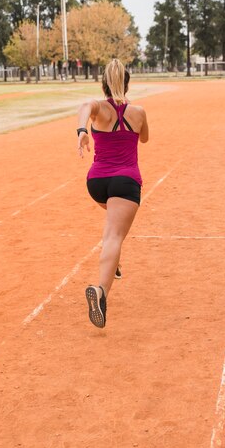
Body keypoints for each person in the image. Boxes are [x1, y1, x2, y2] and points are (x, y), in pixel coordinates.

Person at [77, 58, 149, 328]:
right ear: (127, 83)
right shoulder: (139, 111)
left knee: (113, 226)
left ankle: (114, 261)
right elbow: (144, 138)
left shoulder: (98, 109)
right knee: (114, 236)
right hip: (125, 182)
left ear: (103, 83)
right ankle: (101, 292)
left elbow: (85, 106)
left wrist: (83, 131)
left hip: (96, 184)